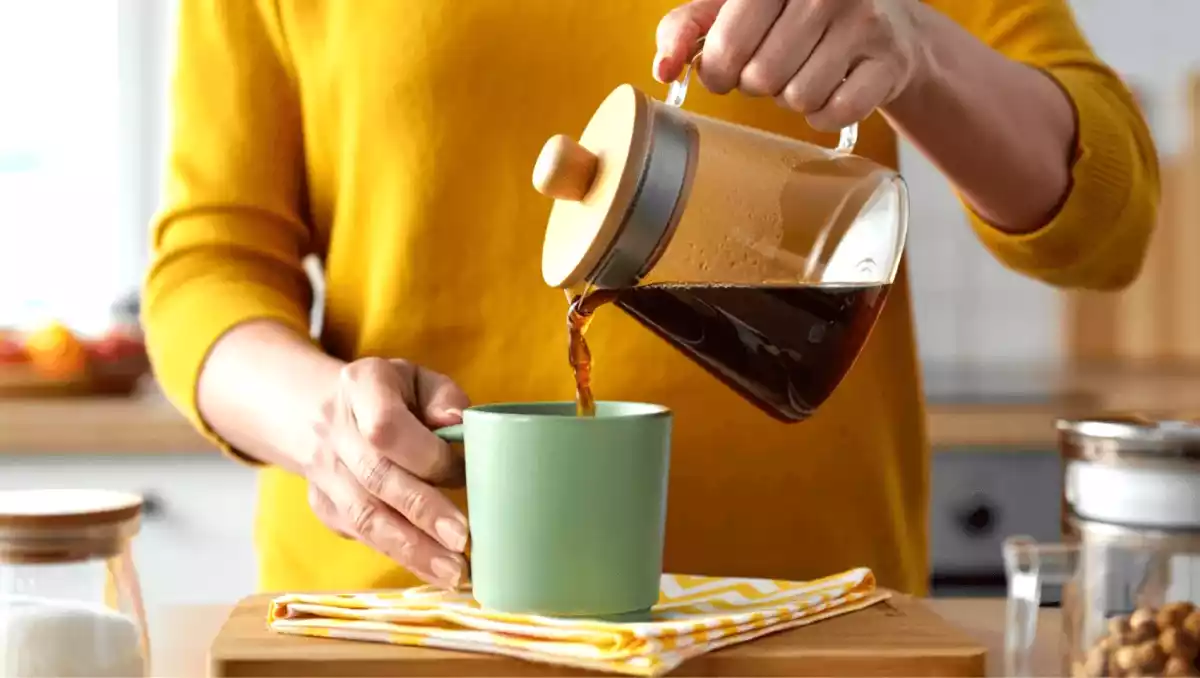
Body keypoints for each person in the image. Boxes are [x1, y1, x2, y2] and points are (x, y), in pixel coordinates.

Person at [143, 0, 1158, 596]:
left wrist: (917, 48)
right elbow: (207, 266)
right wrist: (324, 422)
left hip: (801, 623)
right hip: (410, 619)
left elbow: (1107, 221)